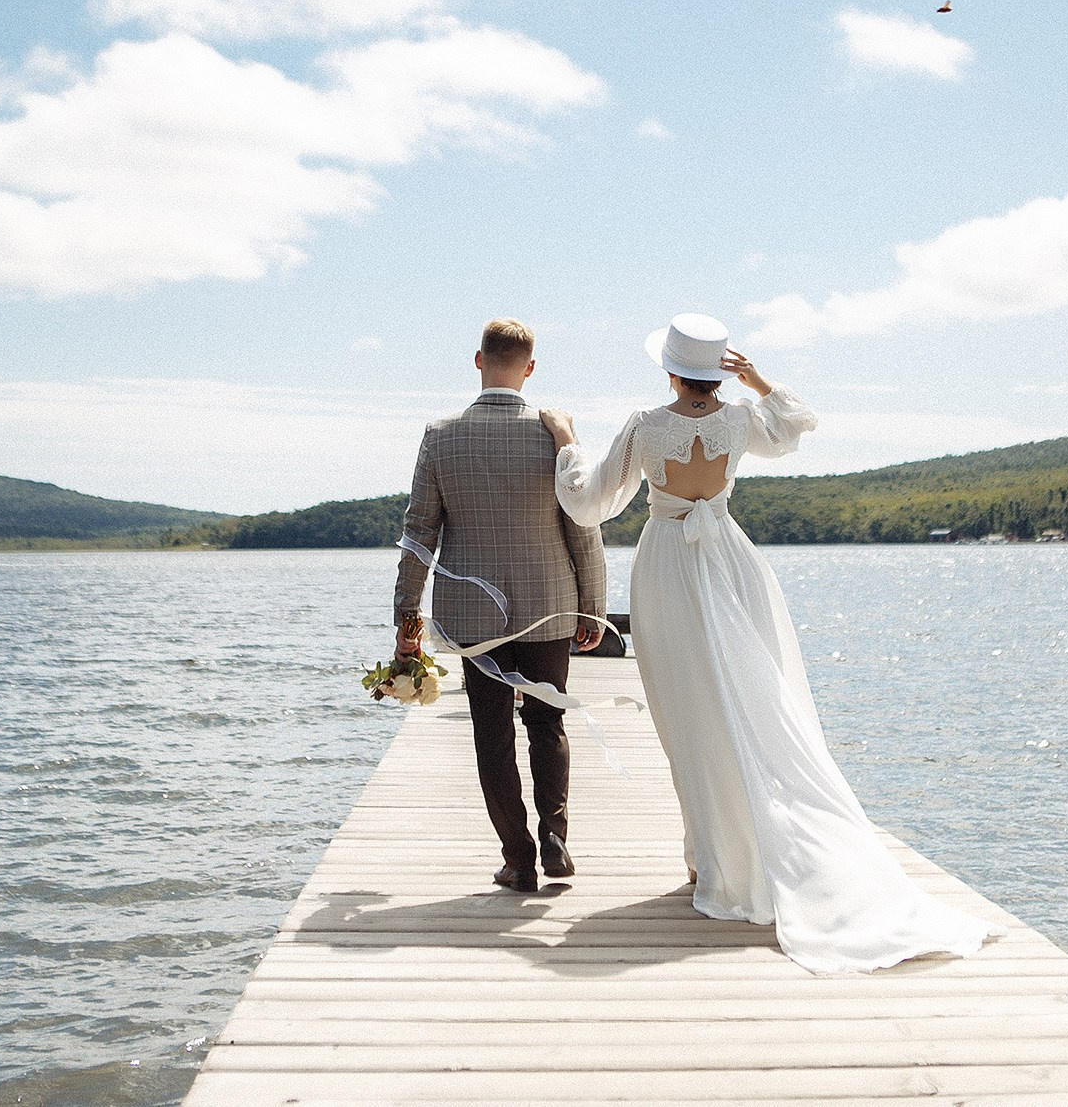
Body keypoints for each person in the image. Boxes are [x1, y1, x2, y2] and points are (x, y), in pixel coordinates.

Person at [540, 313, 998, 973]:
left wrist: (567, 442)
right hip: (729, 560)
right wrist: (754, 378)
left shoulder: (646, 424)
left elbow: (590, 501)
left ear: (670, 369)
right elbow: (793, 423)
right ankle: (725, 855)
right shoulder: (739, 421)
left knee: (689, 718)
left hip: (669, 565)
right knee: (747, 708)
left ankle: (715, 862)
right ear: (716, 368)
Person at [394, 318, 608, 893]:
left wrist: (407, 618)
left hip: (472, 614)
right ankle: (556, 837)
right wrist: (594, 606)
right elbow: (583, 527)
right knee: (547, 721)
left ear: (478, 361)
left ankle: (519, 858)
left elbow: (419, 533)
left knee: (491, 733)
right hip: (551, 602)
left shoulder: (440, 436)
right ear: (530, 368)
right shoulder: (555, 435)